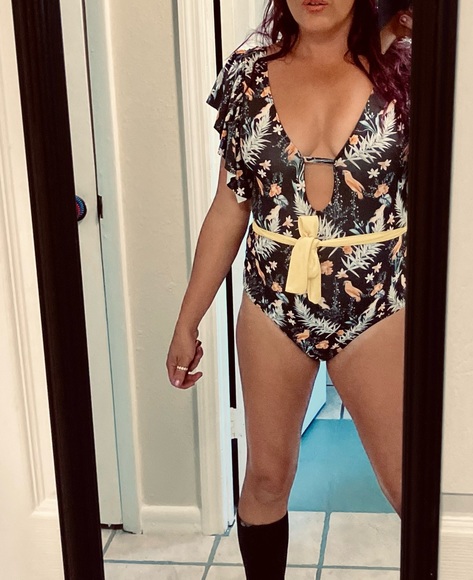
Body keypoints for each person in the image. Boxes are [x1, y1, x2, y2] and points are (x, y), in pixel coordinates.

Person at [166, 1, 411, 577]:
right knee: (266, 478)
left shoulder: (407, 74)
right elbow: (230, 205)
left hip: (380, 305)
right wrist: (187, 319)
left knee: (411, 485)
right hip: (273, 306)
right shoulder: (249, 74)